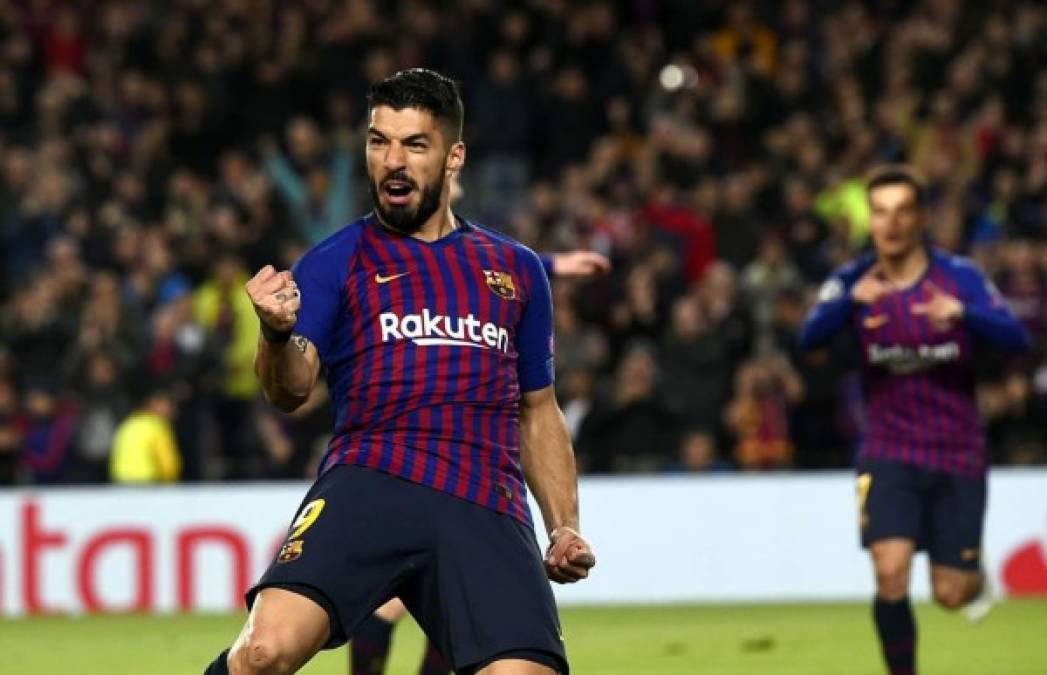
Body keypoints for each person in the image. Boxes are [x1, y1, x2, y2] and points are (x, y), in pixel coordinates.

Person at [204, 68, 596, 675]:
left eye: (414, 144)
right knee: (262, 651)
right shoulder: (337, 260)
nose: (392, 160)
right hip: (372, 481)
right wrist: (275, 335)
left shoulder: (515, 270)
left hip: (483, 499)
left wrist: (563, 526)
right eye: (378, 141)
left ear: (453, 155)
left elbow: (538, 408)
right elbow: (289, 390)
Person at [798, 164, 1030, 675]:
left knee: (950, 594)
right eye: (880, 212)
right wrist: (845, 308)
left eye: (903, 211)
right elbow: (807, 340)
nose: (891, 223)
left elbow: (1019, 339)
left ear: (921, 217)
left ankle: (973, 576)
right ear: (871, 221)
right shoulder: (851, 281)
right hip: (887, 450)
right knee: (890, 572)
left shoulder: (960, 278)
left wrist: (966, 315)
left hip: (958, 450)